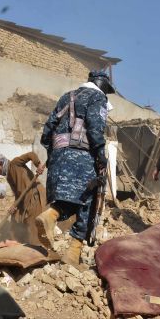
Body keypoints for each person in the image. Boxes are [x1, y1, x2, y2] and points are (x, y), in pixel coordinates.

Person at [37, 70, 114, 267]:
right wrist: (100, 155)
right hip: (82, 157)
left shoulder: (67, 96)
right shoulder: (98, 97)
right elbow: (95, 128)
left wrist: (52, 155)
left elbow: (47, 131)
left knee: (72, 198)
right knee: (87, 199)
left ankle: (51, 215)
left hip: (58, 157)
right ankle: (73, 253)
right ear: (103, 85)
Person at [0, 152, 46, 245]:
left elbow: (31, 155)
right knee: (15, 218)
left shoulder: (15, 163)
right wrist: (14, 206)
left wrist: (38, 165)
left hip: (34, 196)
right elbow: (18, 194)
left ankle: (36, 247)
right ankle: (17, 243)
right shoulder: (9, 176)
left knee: (32, 224)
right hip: (23, 200)